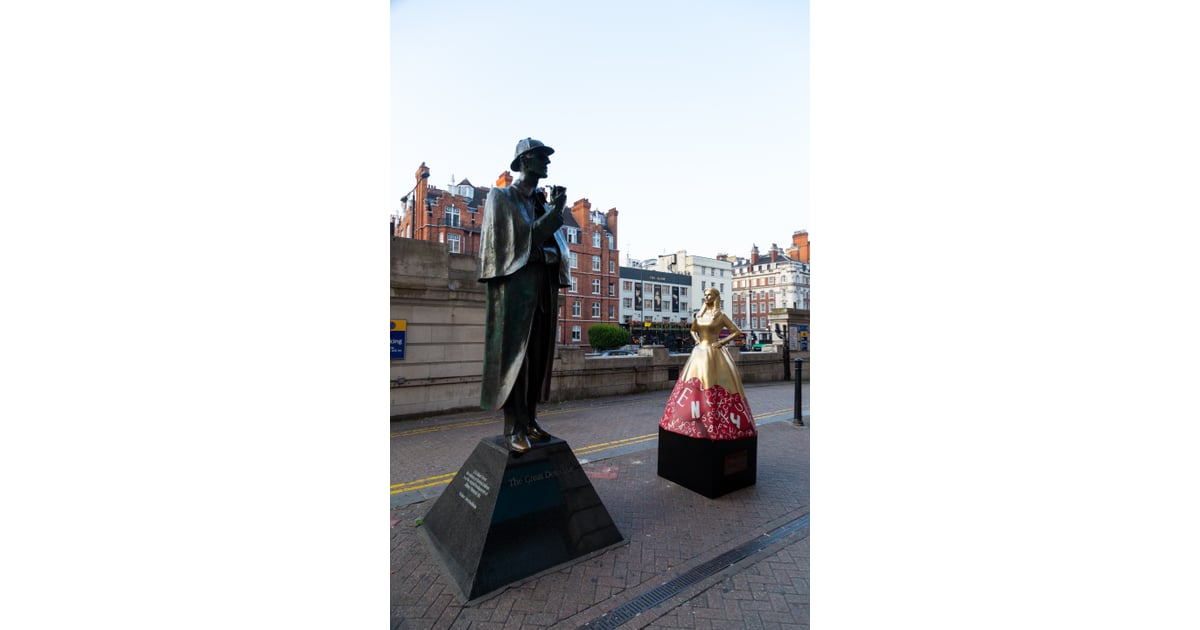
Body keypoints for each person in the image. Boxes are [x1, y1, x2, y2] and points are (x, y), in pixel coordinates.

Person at [478, 138, 572, 453]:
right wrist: (555, 213)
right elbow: (521, 239)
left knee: (537, 358)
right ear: (525, 161)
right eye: (541, 157)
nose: (547, 163)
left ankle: (530, 420)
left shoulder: (542, 204)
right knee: (516, 360)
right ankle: (513, 427)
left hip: (543, 287)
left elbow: (556, 249)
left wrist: (551, 216)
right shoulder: (501, 196)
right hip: (518, 289)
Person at [659, 288, 756, 440]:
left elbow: (736, 331)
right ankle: (691, 418)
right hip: (699, 353)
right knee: (693, 383)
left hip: (713, 352)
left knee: (713, 383)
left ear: (716, 297)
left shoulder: (720, 316)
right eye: (705, 295)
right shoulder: (700, 315)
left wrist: (721, 343)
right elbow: (692, 330)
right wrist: (696, 339)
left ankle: (715, 418)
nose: (706, 297)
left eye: (709, 295)